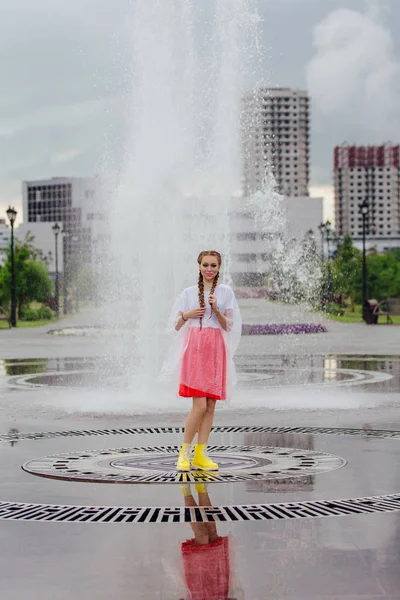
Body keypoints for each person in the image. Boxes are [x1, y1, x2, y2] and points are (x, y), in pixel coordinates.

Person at [162, 250, 241, 472]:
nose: (209, 269)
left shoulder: (225, 292)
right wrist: (187, 315)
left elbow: (229, 326)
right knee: (199, 405)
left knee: (211, 405)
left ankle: (201, 454)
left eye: (213, 266)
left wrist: (216, 310)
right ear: (199, 266)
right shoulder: (187, 293)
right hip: (195, 349)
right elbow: (174, 326)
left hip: (216, 349)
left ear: (219, 268)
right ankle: (184, 453)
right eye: (205, 265)